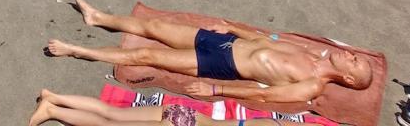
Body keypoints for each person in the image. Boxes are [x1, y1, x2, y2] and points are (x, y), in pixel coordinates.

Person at [47, 0, 374, 105]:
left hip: (220, 63)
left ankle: (76, 49)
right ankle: (97, 17)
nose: (351, 54)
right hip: (226, 41)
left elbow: (263, 96)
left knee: (146, 56)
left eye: (354, 62)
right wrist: (233, 27)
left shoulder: (310, 86)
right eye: (356, 55)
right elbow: (267, 39)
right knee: (156, 27)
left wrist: (216, 88)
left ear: (346, 79)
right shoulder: (310, 52)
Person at [25, 89, 281, 126]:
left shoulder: (272, 123)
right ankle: (52, 111)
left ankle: (53, 96)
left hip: (187, 115)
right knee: (106, 125)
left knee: (110, 113)